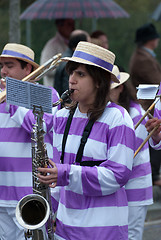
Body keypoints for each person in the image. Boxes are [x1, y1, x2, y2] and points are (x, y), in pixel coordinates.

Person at [37, 41, 136, 240]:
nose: (71, 80)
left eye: (80, 74)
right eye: (71, 72)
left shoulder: (118, 118)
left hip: (103, 231)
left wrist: (65, 173)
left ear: (99, 81)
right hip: (64, 230)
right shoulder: (62, 116)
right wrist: (50, 212)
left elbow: (118, 175)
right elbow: (57, 171)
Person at [0, 43, 60, 240]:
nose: (3, 71)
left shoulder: (47, 94)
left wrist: (13, 98)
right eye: (1, 66)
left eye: (9, 66)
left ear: (28, 68)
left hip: (30, 196)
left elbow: (39, 127)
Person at [110, 65, 153, 240]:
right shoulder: (110, 112)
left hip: (136, 185)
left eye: (110, 89)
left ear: (120, 88)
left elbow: (130, 155)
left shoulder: (136, 113)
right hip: (118, 186)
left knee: (132, 235)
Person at [129, 22, 161, 186]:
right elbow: (157, 82)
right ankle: (155, 175)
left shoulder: (144, 56)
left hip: (151, 103)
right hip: (149, 106)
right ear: (151, 39)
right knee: (154, 135)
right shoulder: (143, 58)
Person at [54, 29, 91, 96]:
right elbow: (69, 93)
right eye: (88, 44)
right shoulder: (71, 63)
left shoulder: (66, 58)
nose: (71, 81)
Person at [40, 18, 75, 87]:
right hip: (54, 92)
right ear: (59, 26)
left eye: (73, 24)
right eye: (69, 24)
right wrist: (66, 68)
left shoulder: (70, 43)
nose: (73, 27)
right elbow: (44, 69)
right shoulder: (51, 45)